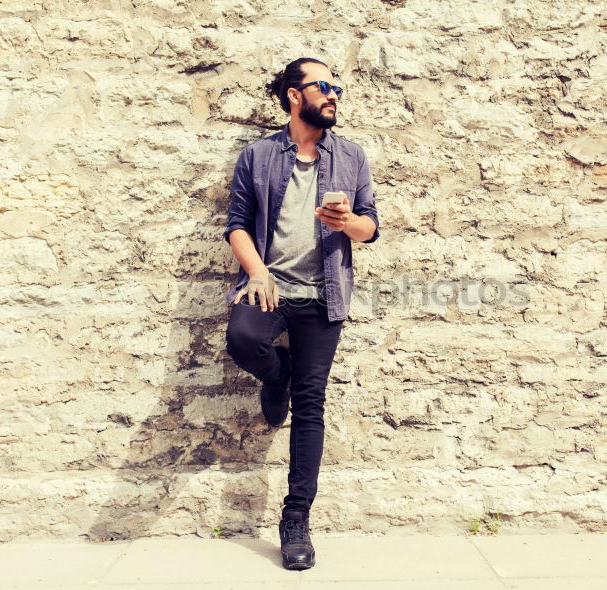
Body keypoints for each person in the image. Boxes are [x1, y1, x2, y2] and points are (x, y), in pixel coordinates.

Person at [222, 57, 381, 570]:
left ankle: (296, 522)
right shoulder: (259, 155)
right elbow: (238, 224)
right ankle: (277, 373)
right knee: (244, 340)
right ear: (295, 95)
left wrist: (348, 222)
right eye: (324, 86)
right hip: (271, 286)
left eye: (337, 86)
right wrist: (258, 273)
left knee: (311, 405)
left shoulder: (351, 156)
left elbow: (371, 229)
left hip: (322, 296)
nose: (334, 94)